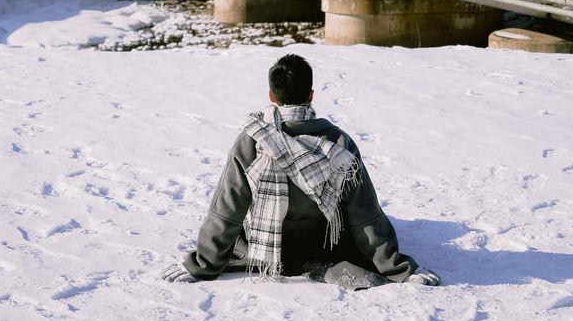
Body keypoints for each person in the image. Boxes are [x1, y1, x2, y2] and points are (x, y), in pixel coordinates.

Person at [162, 53, 440, 290]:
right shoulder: (339, 143)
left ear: (272, 97)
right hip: (322, 244)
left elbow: (228, 209)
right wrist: (397, 269)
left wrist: (203, 264)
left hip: (267, 245)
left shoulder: (253, 140)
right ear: (311, 95)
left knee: (237, 233)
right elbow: (363, 214)